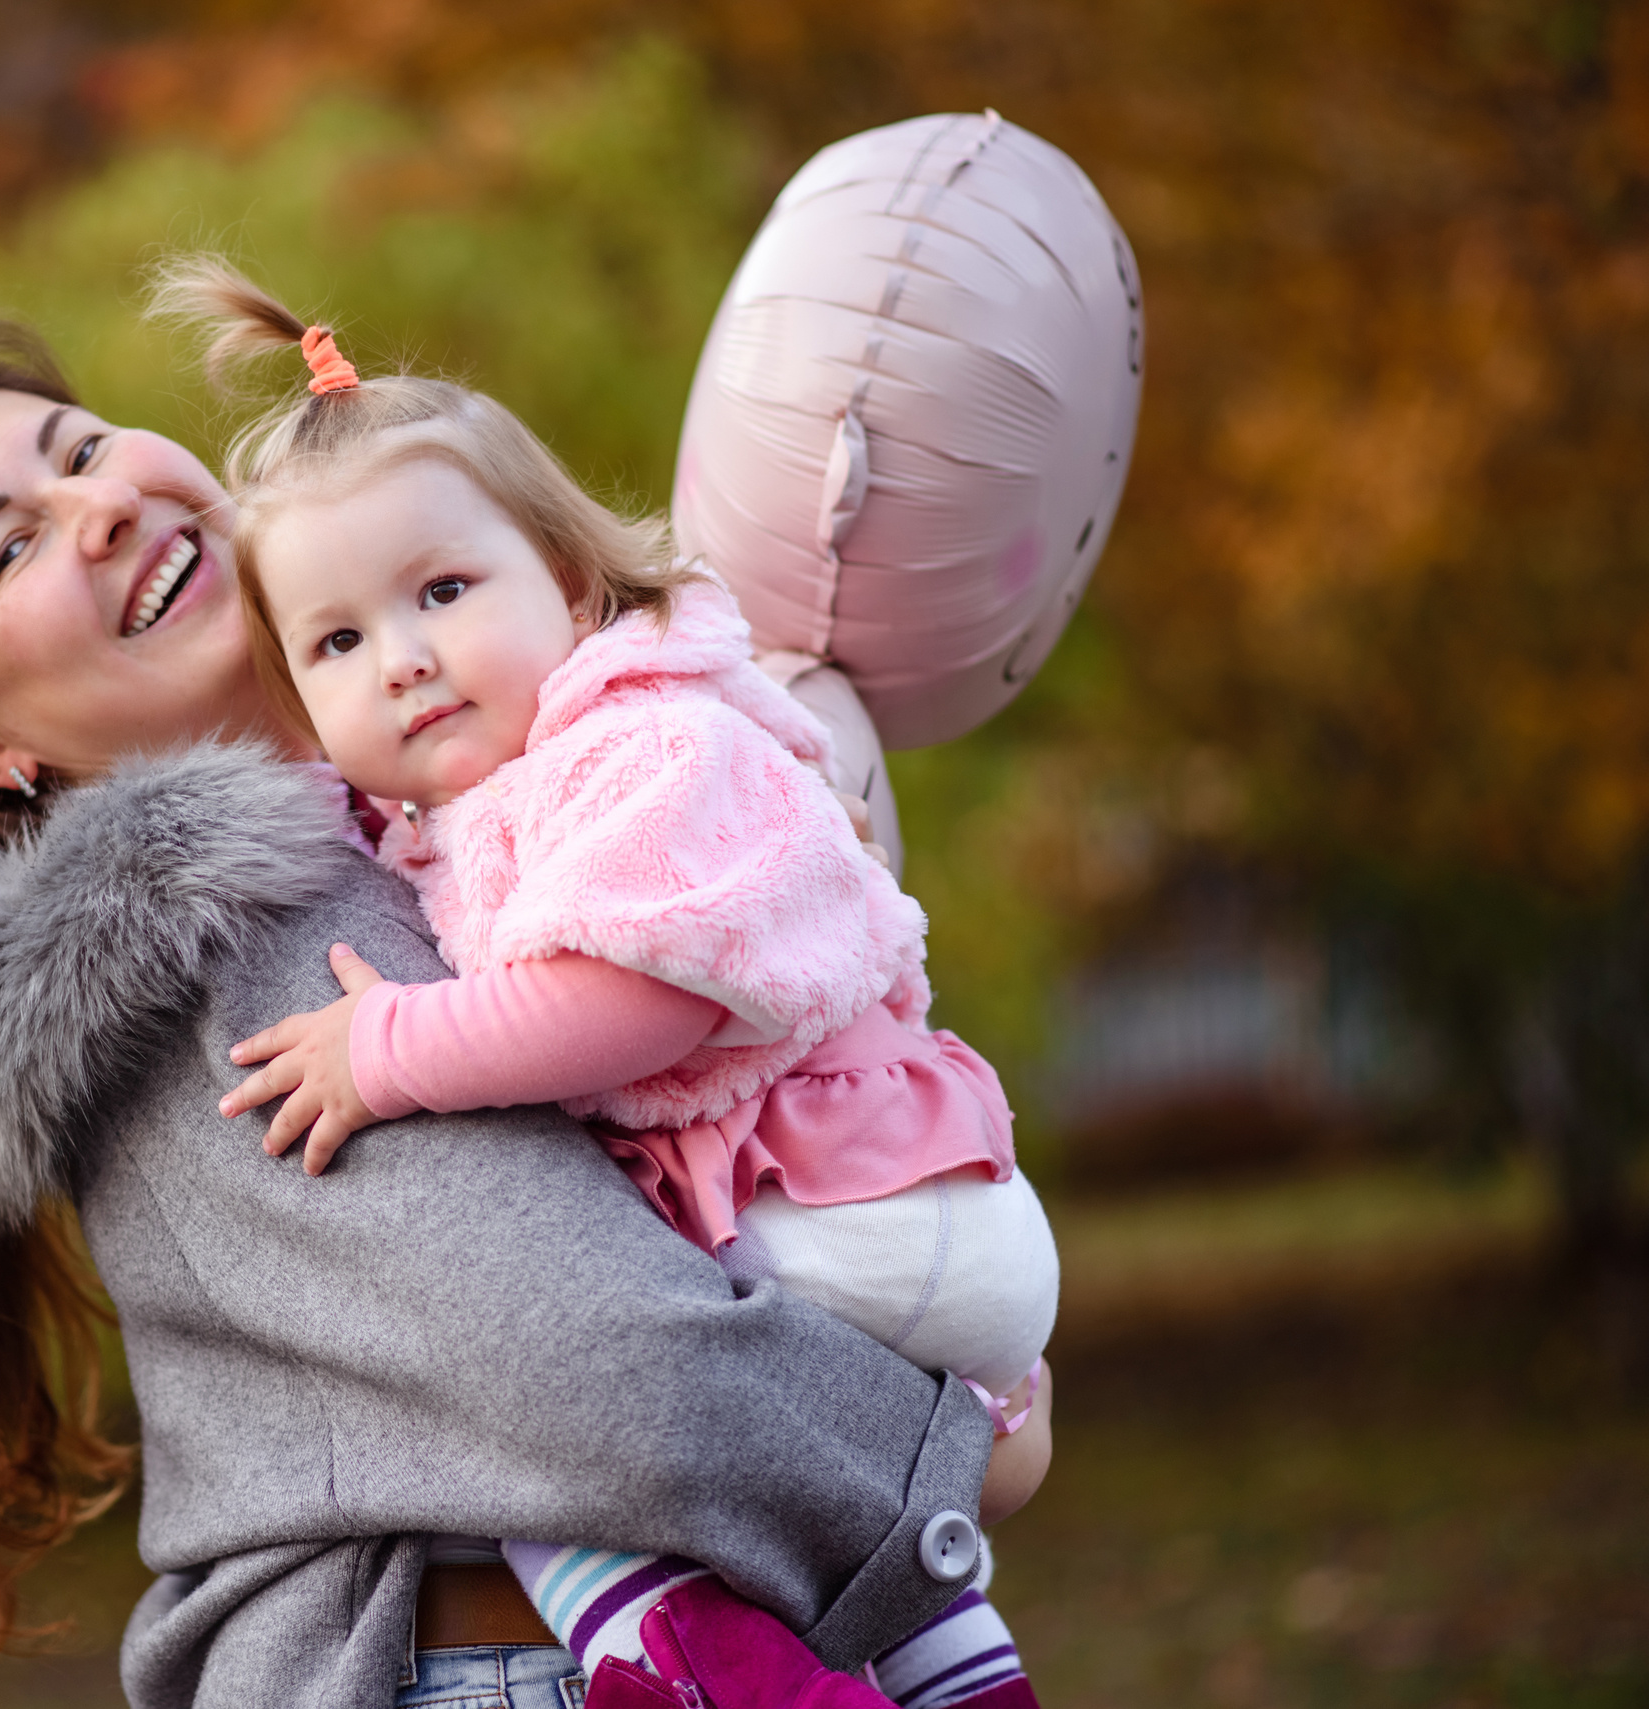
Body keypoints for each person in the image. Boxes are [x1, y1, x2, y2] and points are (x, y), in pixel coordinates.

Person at [0, 310, 1051, 1709]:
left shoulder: (437, 815)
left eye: (86, 449)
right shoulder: (224, 949)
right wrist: (947, 1455)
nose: (101, 507)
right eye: (11, 544)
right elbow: (611, 1367)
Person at [170, 262, 1058, 1709]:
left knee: (510, 1392)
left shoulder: (644, 745)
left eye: (443, 591)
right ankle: (960, 1672)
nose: (401, 660)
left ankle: (677, 1650)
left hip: (842, 1196)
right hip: (854, 1214)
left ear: (570, 581)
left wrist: (387, 1048)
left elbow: (633, 1001)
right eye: (336, 640)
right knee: (785, 1500)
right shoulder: (489, 792)